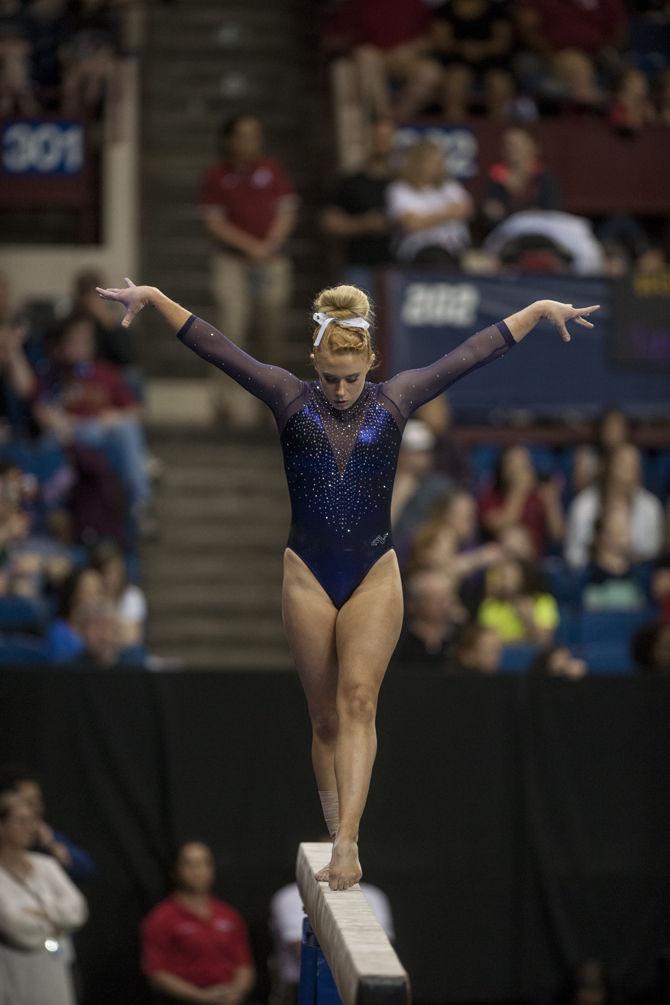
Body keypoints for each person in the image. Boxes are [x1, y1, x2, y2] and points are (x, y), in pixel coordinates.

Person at [96, 275, 598, 890]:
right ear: (315, 359)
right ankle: (334, 824)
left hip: (374, 573)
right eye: (330, 376)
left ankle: (347, 840)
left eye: (351, 377)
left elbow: (472, 353)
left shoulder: (396, 400)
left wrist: (537, 308)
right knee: (324, 719)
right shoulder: (287, 395)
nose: (339, 390)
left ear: (370, 363)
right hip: (306, 573)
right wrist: (150, 297)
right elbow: (215, 346)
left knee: (359, 701)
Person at [200, 114, 298, 427]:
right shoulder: (216, 176)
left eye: (255, 135)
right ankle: (224, 403)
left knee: (273, 330)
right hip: (231, 261)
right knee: (229, 328)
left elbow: (287, 210)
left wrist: (269, 245)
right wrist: (250, 247)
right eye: (242, 135)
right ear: (228, 140)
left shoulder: (272, 170)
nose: (250, 142)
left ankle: (272, 400)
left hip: (272, 260)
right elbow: (215, 222)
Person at [0, 790, 88, 1005]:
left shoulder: (46, 866)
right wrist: (57, 922)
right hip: (15, 973)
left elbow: (78, 911)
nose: (30, 828)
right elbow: (16, 929)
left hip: (54, 968)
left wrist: (42, 913)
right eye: (21, 821)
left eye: (32, 821)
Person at [141, 841, 255, 1005]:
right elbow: (156, 973)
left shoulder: (229, 915)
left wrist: (235, 993)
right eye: (189, 864)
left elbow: (244, 965)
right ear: (176, 871)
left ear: (212, 869)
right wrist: (201, 997)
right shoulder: (161, 918)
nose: (197, 871)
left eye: (203, 863)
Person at [269, 869, 393, 1005]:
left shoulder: (372, 896)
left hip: (363, 987)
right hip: (303, 988)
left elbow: (379, 955)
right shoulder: (293, 896)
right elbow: (306, 954)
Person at [565, 443, 664, 568]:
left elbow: (652, 553)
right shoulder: (584, 505)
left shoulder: (651, 506)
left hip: (638, 578)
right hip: (590, 577)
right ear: (610, 468)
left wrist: (623, 555)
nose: (630, 473)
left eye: (635, 467)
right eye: (624, 467)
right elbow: (573, 555)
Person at [320, 116, 395, 269]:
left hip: (399, 268)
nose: (381, 142)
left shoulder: (401, 181)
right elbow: (328, 223)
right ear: (367, 139)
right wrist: (363, 224)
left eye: (386, 137)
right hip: (359, 266)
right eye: (377, 137)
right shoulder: (351, 181)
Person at [0, 765, 96, 883]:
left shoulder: (46, 837)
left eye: (38, 801)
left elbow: (87, 868)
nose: (38, 808)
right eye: (29, 802)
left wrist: (51, 846)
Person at [386, 139, 473, 266]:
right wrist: (448, 212)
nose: (439, 166)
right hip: (419, 252)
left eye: (440, 161)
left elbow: (466, 209)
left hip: (455, 248)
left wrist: (426, 217)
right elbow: (411, 223)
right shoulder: (400, 189)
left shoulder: (449, 186)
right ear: (419, 163)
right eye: (433, 162)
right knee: (436, 257)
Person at [482, 126, 561, 232]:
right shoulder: (495, 179)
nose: (513, 150)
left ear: (533, 148)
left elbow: (552, 211)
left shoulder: (544, 178)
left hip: (542, 232)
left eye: (518, 145)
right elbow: (491, 214)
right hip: (507, 233)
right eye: (509, 145)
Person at [395, 568, 466, 667]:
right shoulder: (400, 638)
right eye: (436, 600)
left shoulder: (461, 636)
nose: (444, 605)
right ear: (414, 603)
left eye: (447, 598)